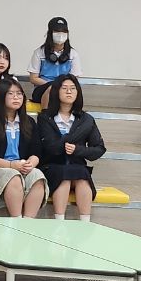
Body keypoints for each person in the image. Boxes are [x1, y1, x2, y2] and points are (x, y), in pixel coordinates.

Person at [38, 75, 105, 222]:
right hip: (52, 166)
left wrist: (78, 150)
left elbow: (99, 149)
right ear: (56, 91)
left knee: (81, 175)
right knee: (65, 175)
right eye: (65, 88)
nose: (69, 92)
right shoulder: (45, 117)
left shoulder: (86, 119)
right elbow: (50, 147)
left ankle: (85, 223)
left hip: (77, 166)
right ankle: (59, 222)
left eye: (73, 88)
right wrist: (68, 139)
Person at [0, 79, 48, 218]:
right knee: (13, 176)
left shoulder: (29, 122)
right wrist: (11, 165)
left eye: (19, 93)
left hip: (22, 166)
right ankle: (16, 220)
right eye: (11, 94)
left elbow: (37, 151)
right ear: (1, 96)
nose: (16, 97)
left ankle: (27, 222)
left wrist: (30, 164)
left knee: (37, 176)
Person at [28, 16, 82, 108]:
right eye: (57, 31)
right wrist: (54, 85)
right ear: (50, 33)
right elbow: (33, 78)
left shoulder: (73, 54)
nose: (60, 35)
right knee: (52, 89)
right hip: (43, 88)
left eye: (64, 32)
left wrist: (61, 87)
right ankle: (46, 114)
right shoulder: (39, 53)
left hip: (64, 88)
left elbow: (74, 79)